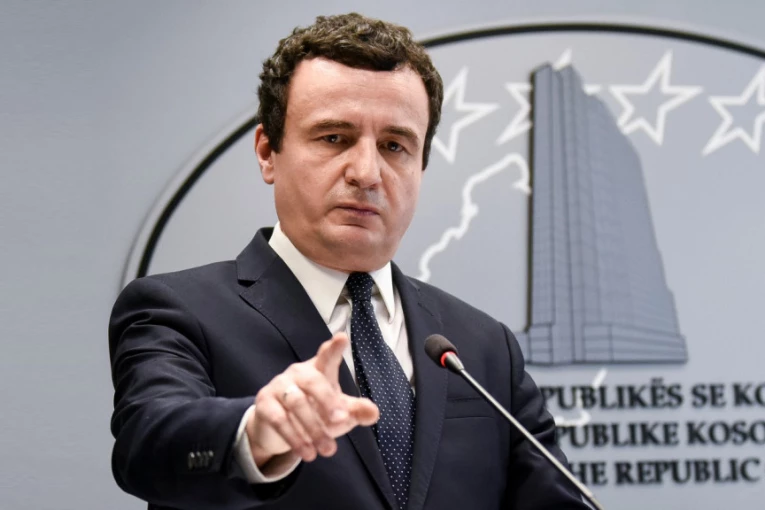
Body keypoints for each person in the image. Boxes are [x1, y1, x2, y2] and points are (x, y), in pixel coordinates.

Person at [109, 12, 589, 510]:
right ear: (268, 151)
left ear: (421, 166)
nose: (366, 172)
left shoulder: (484, 347)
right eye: (334, 138)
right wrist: (255, 433)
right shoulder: (176, 311)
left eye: (394, 146)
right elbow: (149, 441)